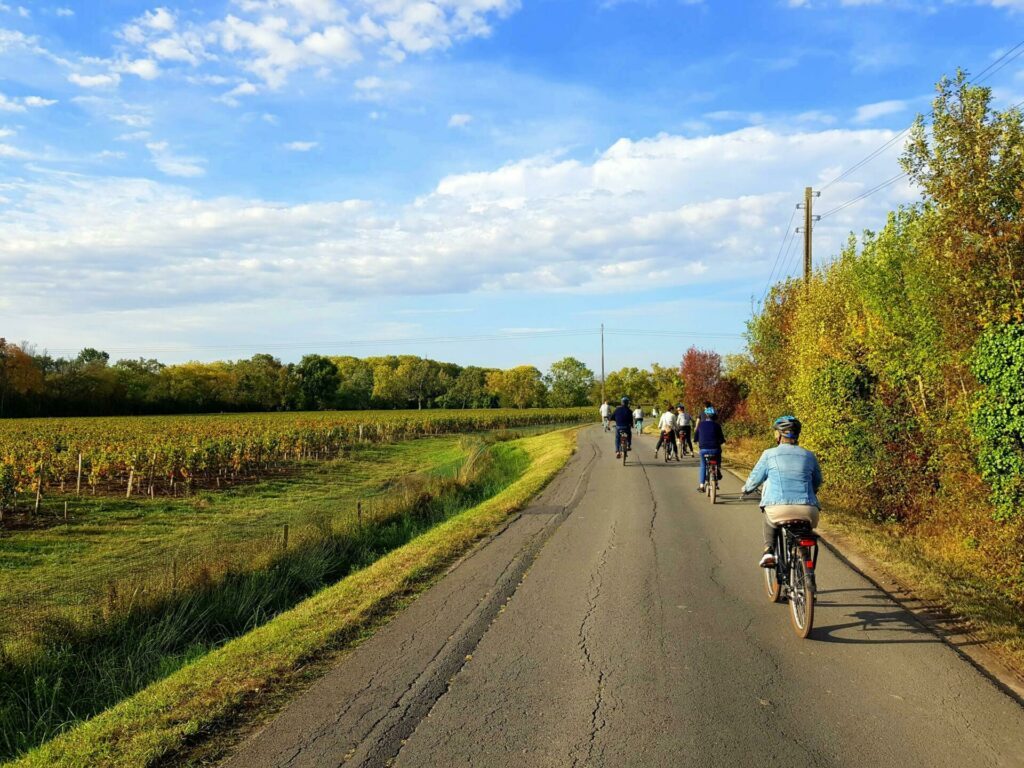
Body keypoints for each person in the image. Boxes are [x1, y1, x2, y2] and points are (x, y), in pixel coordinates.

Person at [741, 416, 823, 568]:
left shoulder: (769, 454)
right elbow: (817, 481)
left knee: (769, 517)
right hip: (809, 509)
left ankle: (769, 551)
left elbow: (755, 479)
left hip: (778, 509)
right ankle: (801, 557)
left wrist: (746, 489)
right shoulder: (809, 455)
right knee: (804, 529)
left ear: (779, 435)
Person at [695, 406, 725, 492]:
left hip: (703, 450)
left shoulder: (700, 425)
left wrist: (697, 441)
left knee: (703, 465)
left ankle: (701, 485)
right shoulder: (717, 425)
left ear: (706, 416)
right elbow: (722, 439)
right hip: (715, 449)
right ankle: (718, 468)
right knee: (718, 454)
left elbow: (696, 437)